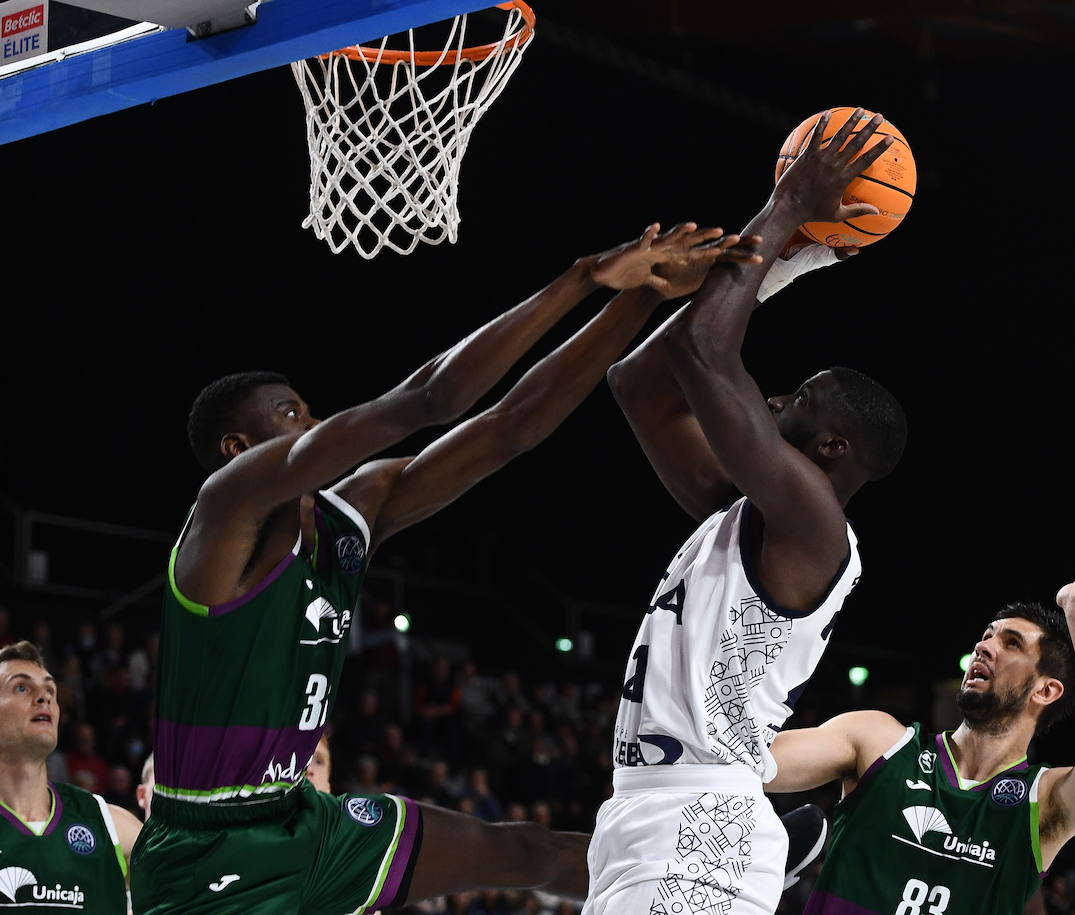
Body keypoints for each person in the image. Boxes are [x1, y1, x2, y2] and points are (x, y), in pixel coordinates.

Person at [131, 221, 758, 915]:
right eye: (288, 413)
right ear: (236, 446)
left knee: (526, 850)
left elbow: (513, 424)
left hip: (304, 820)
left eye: (307, 406)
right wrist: (585, 277)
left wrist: (642, 292)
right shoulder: (224, 511)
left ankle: (721, 880)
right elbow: (433, 397)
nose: (310, 422)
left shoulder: (350, 515)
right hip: (205, 850)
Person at [587, 109, 909, 914]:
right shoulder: (746, 516)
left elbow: (704, 352)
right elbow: (639, 382)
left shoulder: (813, 524)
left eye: (794, 400)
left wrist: (790, 205)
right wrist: (790, 263)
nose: (768, 398)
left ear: (832, 448)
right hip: (656, 811)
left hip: (700, 824)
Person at [764, 544, 1075, 915]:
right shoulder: (880, 741)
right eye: (987, 635)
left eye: (1011, 643)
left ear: (1045, 690)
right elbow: (752, 763)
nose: (984, 646)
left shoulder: (1040, 803)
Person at [0, 640, 143, 913]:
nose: (44, 697)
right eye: (21, 687)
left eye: (50, 690)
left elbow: (194, 892)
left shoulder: (112, 825)